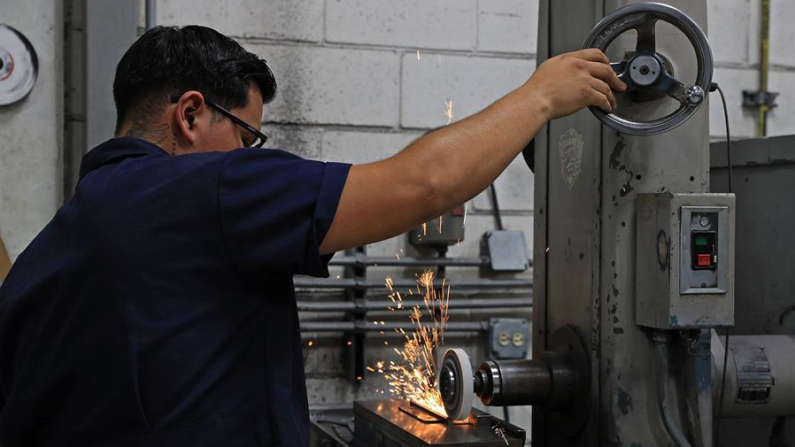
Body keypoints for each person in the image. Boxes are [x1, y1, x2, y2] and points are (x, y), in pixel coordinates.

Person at [0, 25, 624, 447]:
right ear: (190, 114)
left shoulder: (67, 234)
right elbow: (426, 184)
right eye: (247, 137)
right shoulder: (206, 189)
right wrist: (542, 96)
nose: (247, 156)